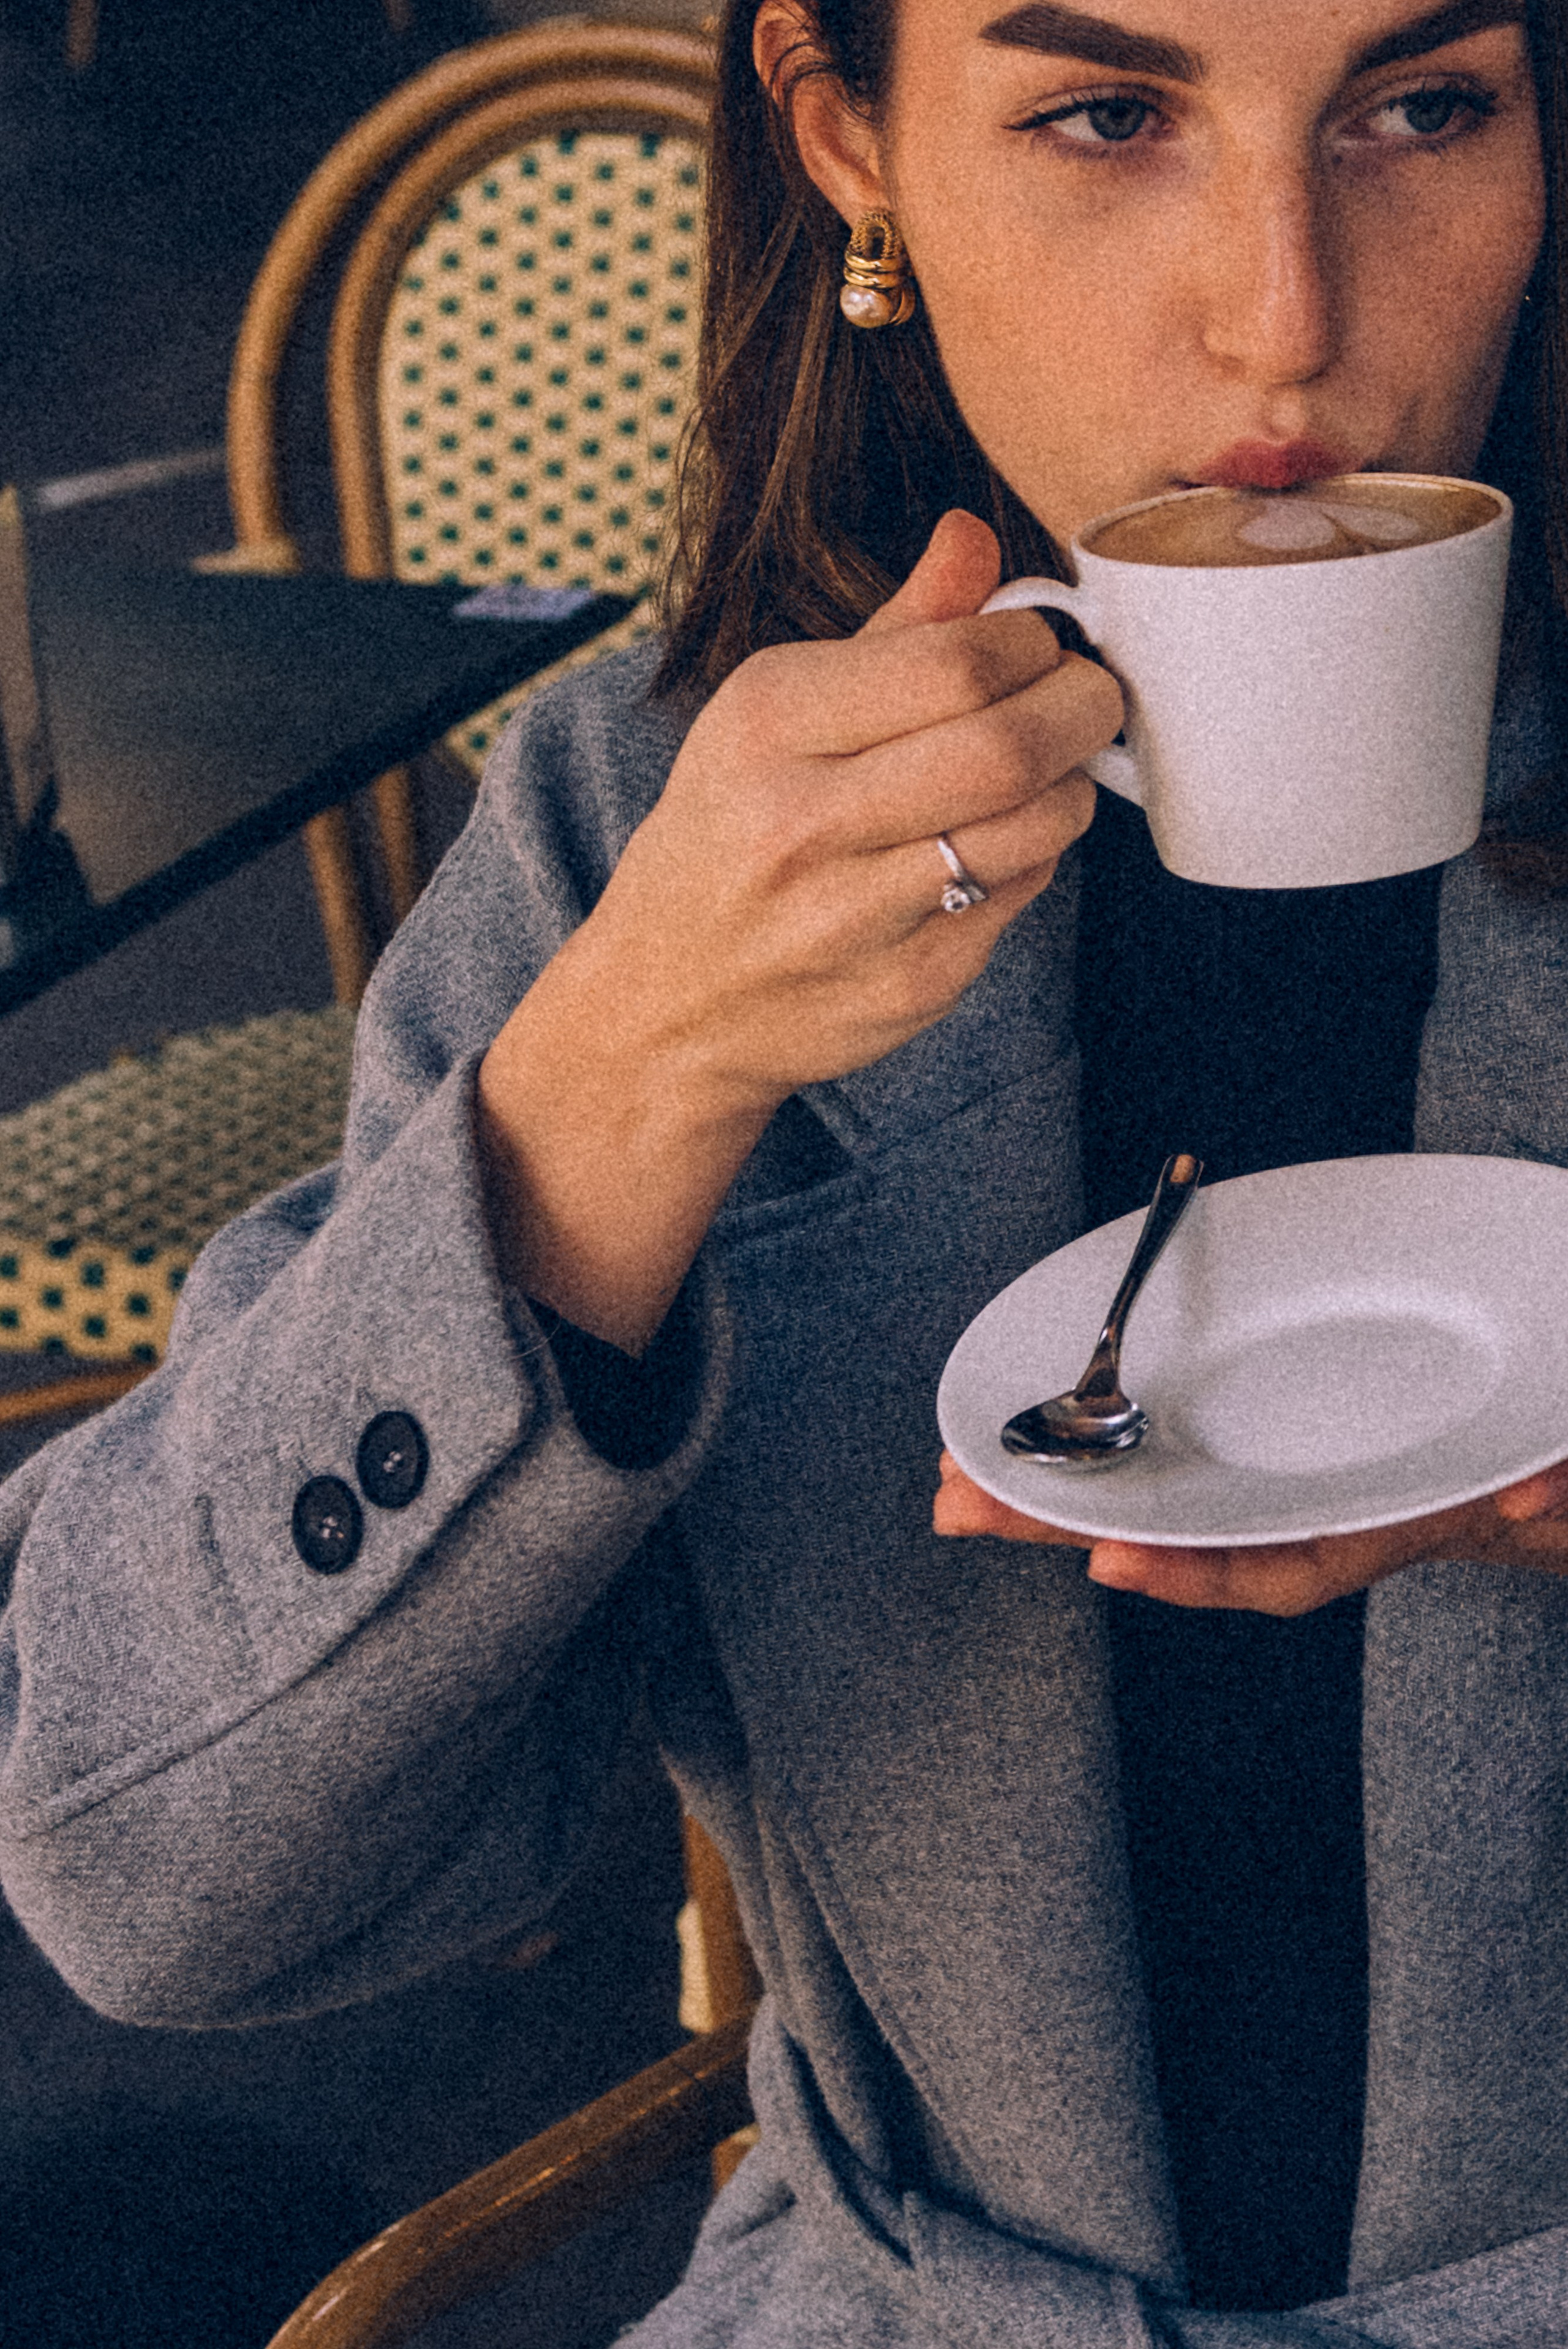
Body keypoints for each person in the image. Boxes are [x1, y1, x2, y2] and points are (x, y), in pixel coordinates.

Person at [5, 0, 1568, 2338]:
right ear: (859, 150)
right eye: (1108, 116)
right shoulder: (644, 836)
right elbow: (147, 1878)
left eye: (1422, 107)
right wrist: (613, 1087)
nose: (1289, 314)